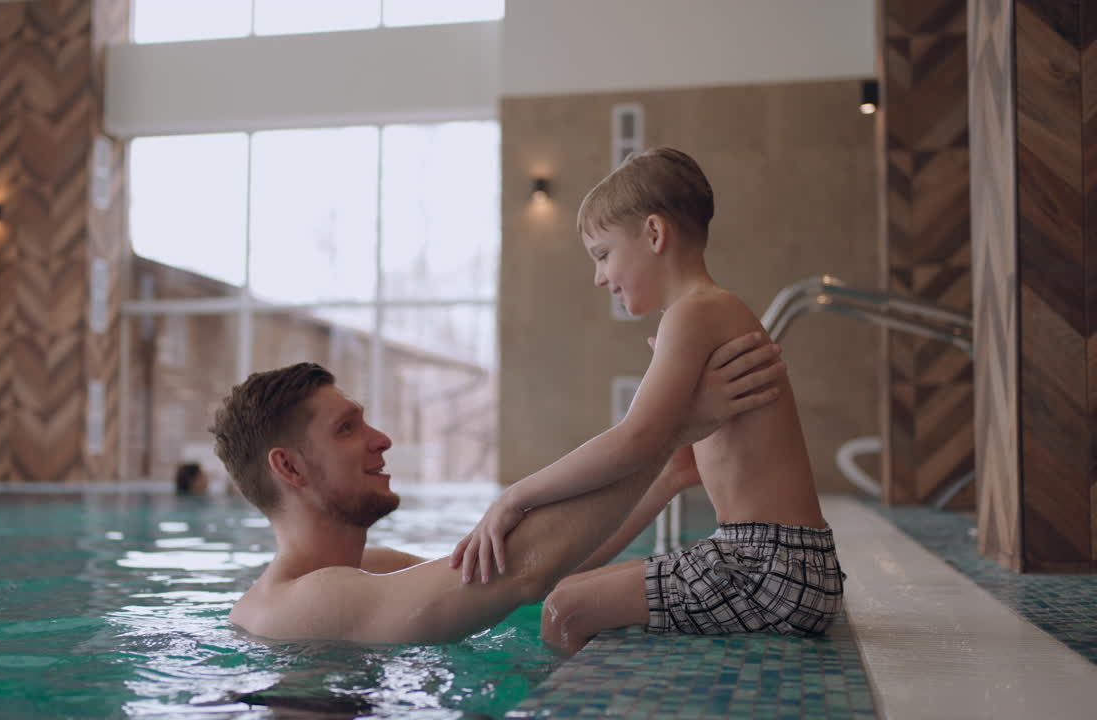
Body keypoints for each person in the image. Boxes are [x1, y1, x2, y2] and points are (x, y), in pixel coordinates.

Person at [451, 147, 844, 655]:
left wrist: (513, 497)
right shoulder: (705, 315)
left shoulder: (694, 312)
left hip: (770, 565)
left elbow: (635, 441)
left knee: (565, 609)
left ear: (654, 234)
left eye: (602, 254)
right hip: (787, 563)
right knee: (567, 590)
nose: (599, 277)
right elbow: (670, 467)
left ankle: (549, 696)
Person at [209, 331, 786, 645]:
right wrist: (670, 426)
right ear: (289, 468)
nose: (381, 439)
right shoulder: (305, 603)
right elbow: (522, 572)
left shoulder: (368, 568)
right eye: (346, 429)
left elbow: (526, 569)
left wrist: (668, 475)